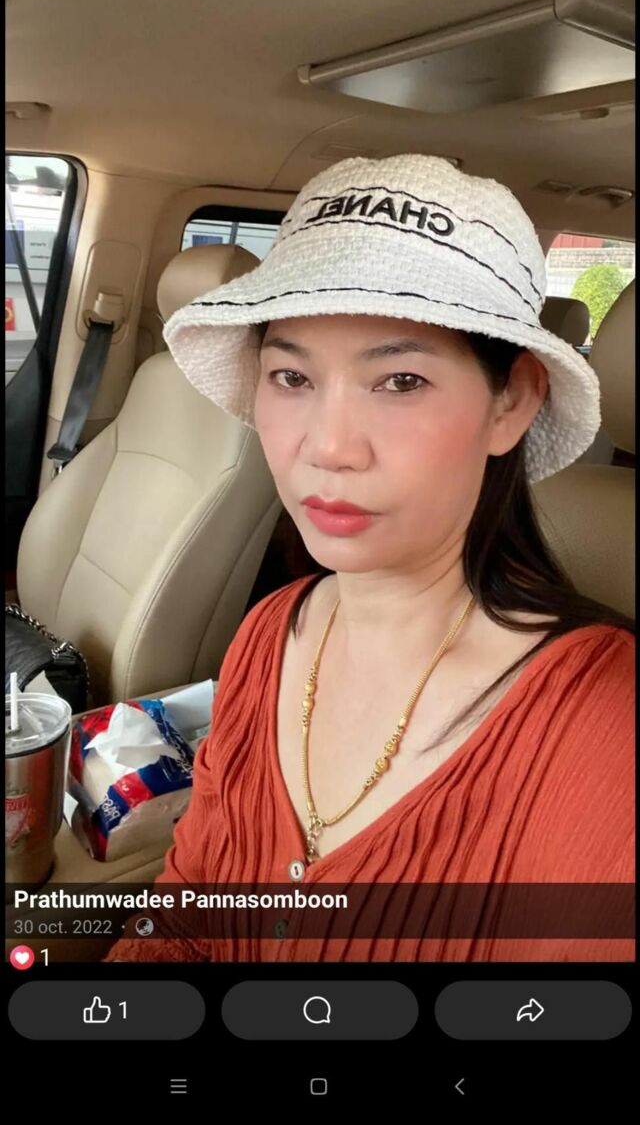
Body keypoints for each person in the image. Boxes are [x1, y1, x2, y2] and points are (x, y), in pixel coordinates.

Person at [103, 153, 634, 964]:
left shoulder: (601, 725)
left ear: (512, 402)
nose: (328, 447)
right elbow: (182, 922)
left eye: (401, 381)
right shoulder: (270, 633)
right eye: (291, 376)